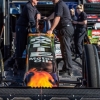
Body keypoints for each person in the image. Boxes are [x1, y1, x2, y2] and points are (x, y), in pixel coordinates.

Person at [5, 0, 41, 70]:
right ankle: (16, 65)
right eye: (37, 0)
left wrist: (38, 14)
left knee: (23, 47)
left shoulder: (33, 7)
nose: (38, 1)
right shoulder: (28, 6)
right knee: (20, 47)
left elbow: (37, 13)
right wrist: (35, 31)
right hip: (21, 28)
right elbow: (31, 20)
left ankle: (13, 63)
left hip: (25, 28)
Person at [46, 0, 74, 76]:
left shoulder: (59, 4)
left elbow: (57, 17)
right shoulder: (60, 4)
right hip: (66, 28)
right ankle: (66, 68)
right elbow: (55, 14)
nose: (51, 1)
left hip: (65, 28)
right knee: (63, 49)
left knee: (65, 49)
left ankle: (69, 70)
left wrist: (51, 29)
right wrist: (48, 18)